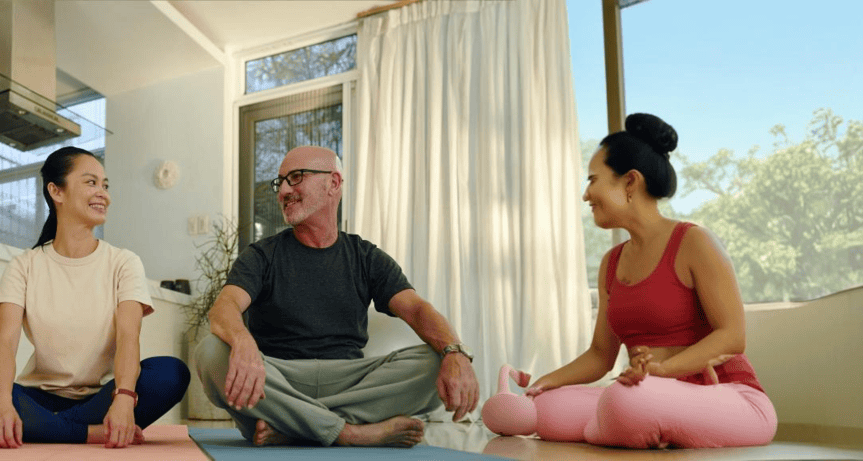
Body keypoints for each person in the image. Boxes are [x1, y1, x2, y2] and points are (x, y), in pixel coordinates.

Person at [519, 113, 776, 448]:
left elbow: (732, 337)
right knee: (546, 409)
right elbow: (600, 354)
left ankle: (619, 427)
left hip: (730, 397)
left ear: (630, 182)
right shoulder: (611, 263)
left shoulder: (694, 242)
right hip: (649, 394)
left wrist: (663, 371)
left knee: (624, 402)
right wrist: (544, 383)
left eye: (593, 180)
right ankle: (626, 430)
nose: (586, 195)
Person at [194, 145, 480, 448]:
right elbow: (225, 306)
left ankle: (296, 427)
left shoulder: (366, 257)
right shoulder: (261, 255)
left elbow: (417, 309)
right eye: (280, 183)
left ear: (333, 183)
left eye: (296, 177)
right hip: (278, 378)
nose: (283, 191)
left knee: (436, 360)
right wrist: (242, 341)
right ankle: (349, 433)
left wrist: (455, 352)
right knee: (210, 353)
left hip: (349, 381)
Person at [0, 146, 190, 449]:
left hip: (103, 397)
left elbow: (128, 337)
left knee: (170, 374)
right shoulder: (24, 265)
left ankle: (44, 428)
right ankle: (89, 432)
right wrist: (2, 402)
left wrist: (124, 398)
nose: (103, 194)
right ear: (56, 191)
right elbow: (4, 343)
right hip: (36, 397)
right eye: (91, 182)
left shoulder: (124, 262)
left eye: (105, 185)